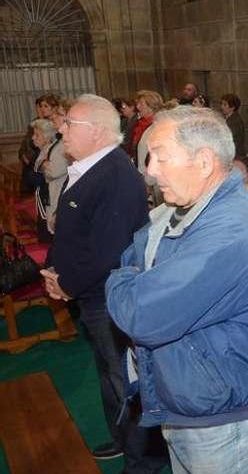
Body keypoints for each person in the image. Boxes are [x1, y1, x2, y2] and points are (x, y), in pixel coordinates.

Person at [105, 106, 248, 474]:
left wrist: (119, 278)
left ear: (203, 162)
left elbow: (141, 312)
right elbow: (138, 255)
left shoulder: (229, 229)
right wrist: (136, 274)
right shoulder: (189, 208)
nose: (149, 170)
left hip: (216, 410)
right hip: (188, 392)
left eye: (160, 157)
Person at [40, 94, 167, 472]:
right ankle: (121, 439)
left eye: (69, 124)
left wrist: (67, 284)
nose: (61, 129)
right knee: (108, 373)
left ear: (95, 131)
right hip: (91, 291)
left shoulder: (114, 173)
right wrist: (53, 270)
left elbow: (110, 248)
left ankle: (143, 458)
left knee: (123, 378)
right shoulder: (88, 166)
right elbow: (76, 233)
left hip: (109, 295)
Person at [31, 118, 66, 240]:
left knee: (52, 233)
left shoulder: (57, 148)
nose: (33, 138)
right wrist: (42, 165)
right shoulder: (43, 151)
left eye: (37, 135)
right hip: (45, 194)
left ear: (47, 136)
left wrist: (42, 166)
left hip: (54, 193)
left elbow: (53, 172)